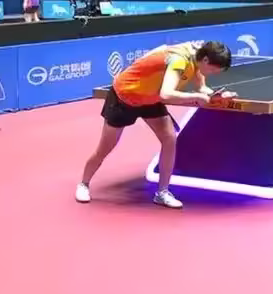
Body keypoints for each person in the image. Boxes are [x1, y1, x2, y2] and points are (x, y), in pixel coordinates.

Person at [76, 40, 234, 209]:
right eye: (213, 70)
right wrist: (196, 97)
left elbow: (202, 88)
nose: (212, 74)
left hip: (150, 99)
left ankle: (162, 192)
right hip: (125, 97)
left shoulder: (197, 58)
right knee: (105, 148)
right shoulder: (179, 60)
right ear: (206, 60)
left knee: (169, 138)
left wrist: (217, 95)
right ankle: (84, 184)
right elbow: (166, 94)